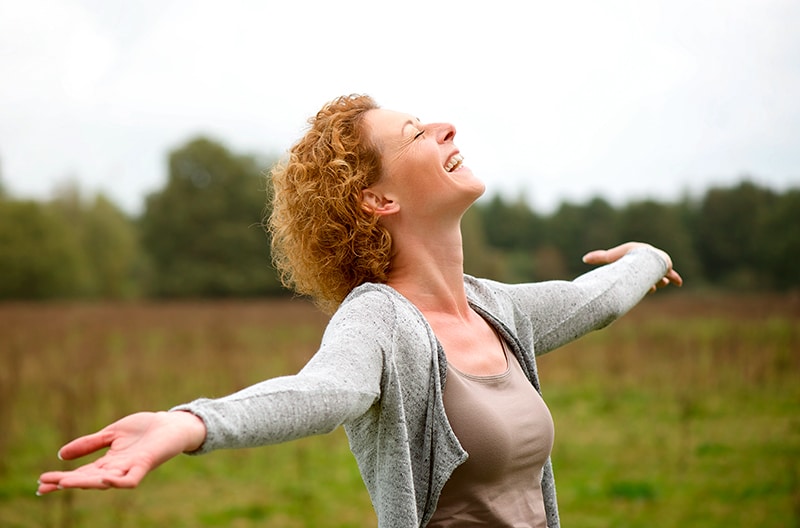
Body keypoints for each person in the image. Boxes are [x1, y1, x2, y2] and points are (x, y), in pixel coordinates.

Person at [37, 94, 682, 527]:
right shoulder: (379, 320)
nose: (445, 128)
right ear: (378, 200)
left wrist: (646, 257)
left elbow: (592, 299)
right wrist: (188, 424)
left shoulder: (495, 308)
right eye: (415, 136)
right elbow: (322, 391)